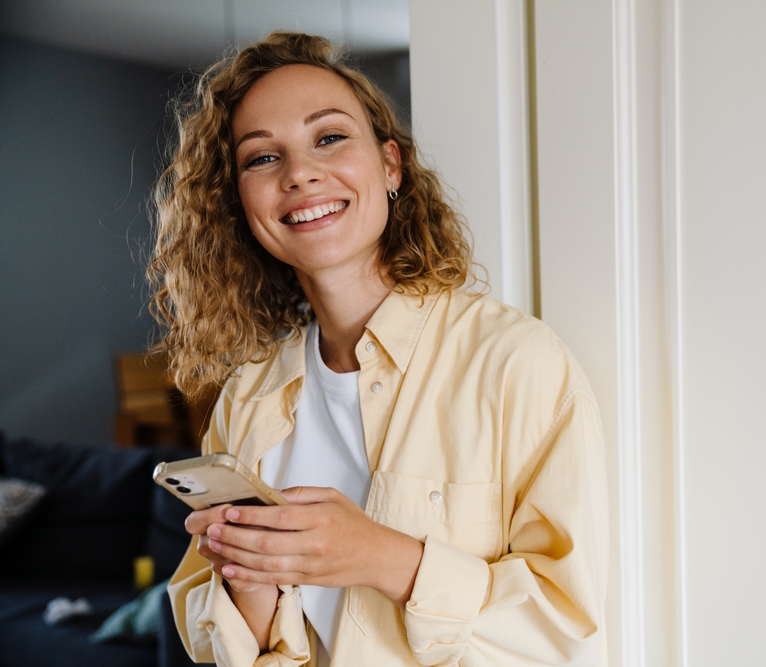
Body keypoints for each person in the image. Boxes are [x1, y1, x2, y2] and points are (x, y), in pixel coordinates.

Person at [150, 31, 608, 667]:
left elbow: (566, 634)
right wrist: (249, 580)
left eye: (330, 137)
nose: (300, 173)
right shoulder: (246, 397)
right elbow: (234, 649)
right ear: (239, 202)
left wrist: (376, 555)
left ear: (391, 166)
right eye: (262, 158)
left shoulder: (515, 364)